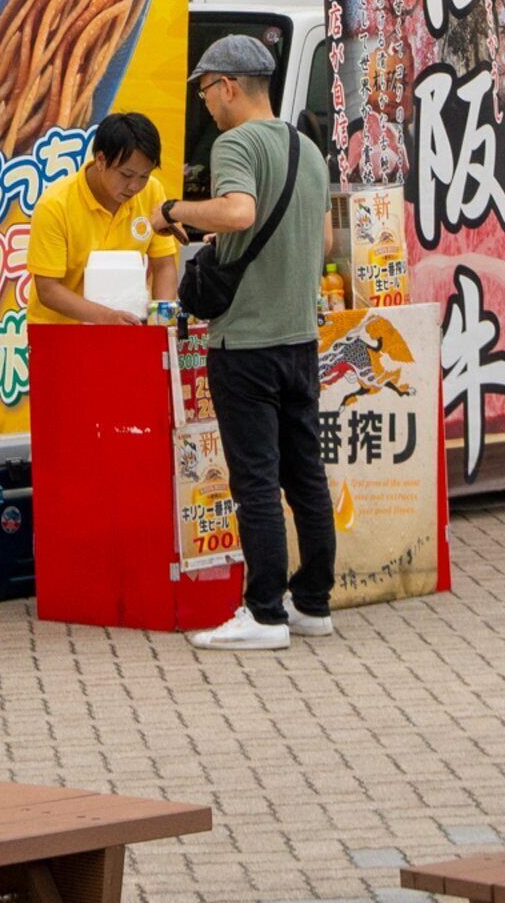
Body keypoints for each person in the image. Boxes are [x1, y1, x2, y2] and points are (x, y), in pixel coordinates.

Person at [165, 33, 332, 652]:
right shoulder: (308, 149)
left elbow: (237, 213)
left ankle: (263, 612)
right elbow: (327, 246)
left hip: (247, 345)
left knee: (256, 481)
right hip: (301, 339)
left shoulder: (236, 143)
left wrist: (174, 209)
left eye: (206, 90)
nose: (206, 104)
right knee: (305, 476)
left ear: (229, 86)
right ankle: (312, 602)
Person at [27, 112, 180, 326]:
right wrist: (106, 318)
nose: (135, 186)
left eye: (144, 176)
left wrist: (162, 321)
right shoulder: (55, 205)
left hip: (128, 331)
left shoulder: (153, 192)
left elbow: (164, 265)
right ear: (100, 160)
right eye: (126, 175)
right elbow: (48, 289)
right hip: (60, 335)